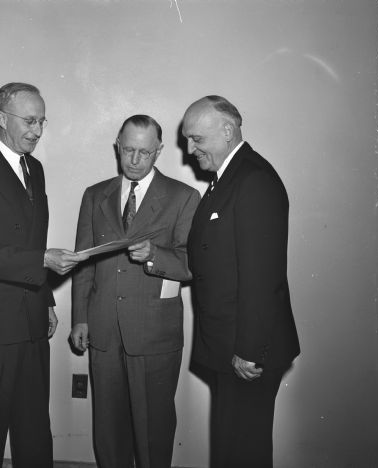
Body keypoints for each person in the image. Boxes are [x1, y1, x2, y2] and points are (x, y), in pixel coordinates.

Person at [0, 82, 86, 468]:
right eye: (29, 120)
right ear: (1, 118)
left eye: (42, 121)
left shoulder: (34, 169)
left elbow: (31, 238)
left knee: (33, 431)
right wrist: (42, 261)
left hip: (31, 323)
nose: (37, 130)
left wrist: (46, 300)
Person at [71, 115, 201, 468]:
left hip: (154, 333)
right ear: (117, 145)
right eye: (128, 150)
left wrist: (155, 256)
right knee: (108, 430)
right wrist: (80, 318)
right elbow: (83, 260)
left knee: (152, 429)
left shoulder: (184, 196)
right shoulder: (95, 195)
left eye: (145, 152)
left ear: (159, 151)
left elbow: (193, 263)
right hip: (103, 330)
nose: (134, 160)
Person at [183, 95, 300, 468]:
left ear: (228, 130)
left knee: (243, 450)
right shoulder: (227, 179)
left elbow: (262, 274)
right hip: (231, 343)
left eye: (197, 139)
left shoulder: (253, 179)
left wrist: (248, 348)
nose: (190, 149)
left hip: (247, 351)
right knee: (233, 446)